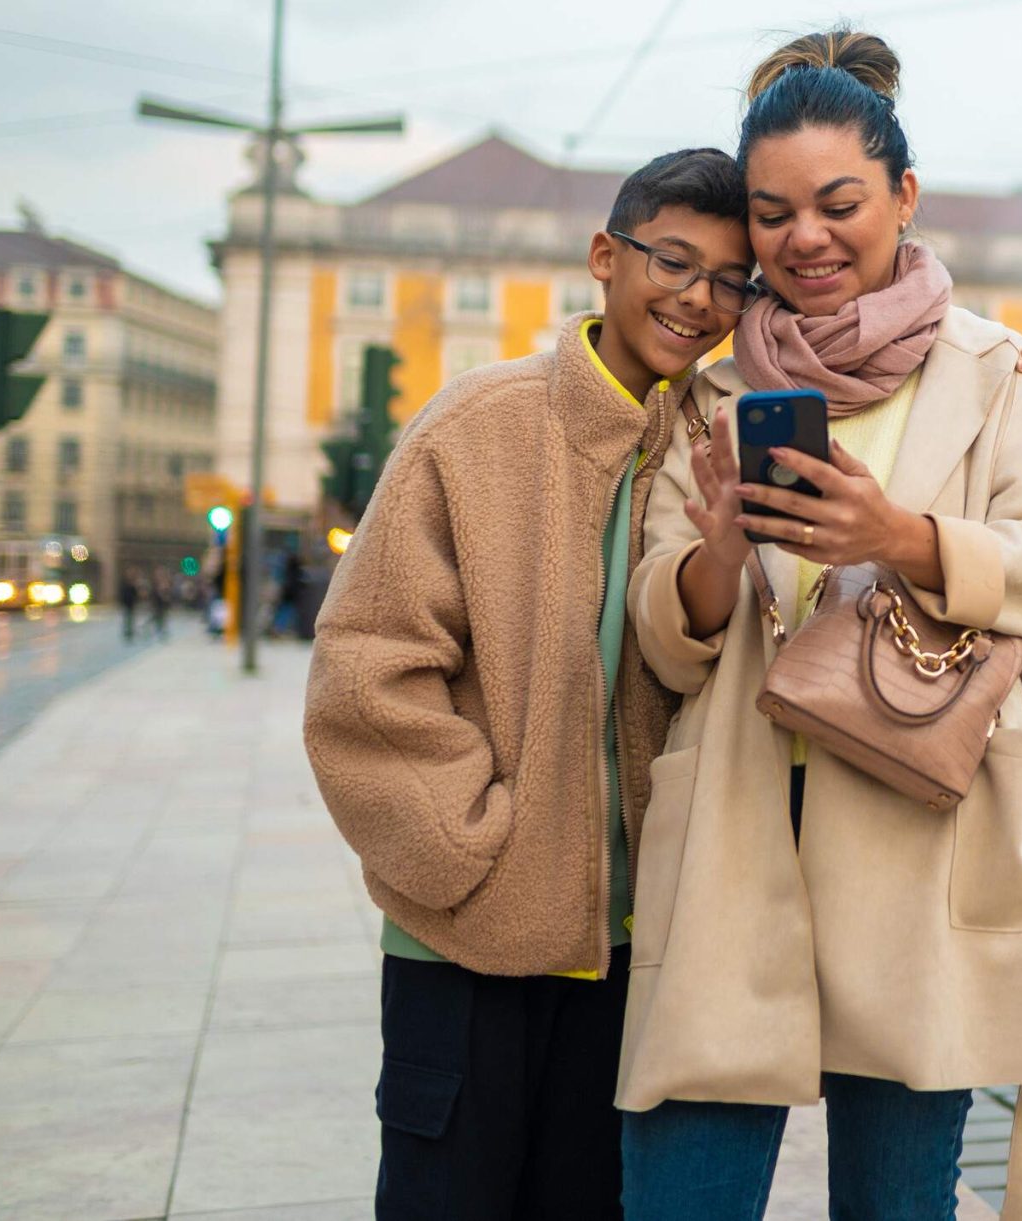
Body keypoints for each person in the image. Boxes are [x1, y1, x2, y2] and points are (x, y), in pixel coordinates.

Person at [615, 30, 1022, 1221]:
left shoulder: (1000, 375)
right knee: (685, 1199)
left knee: (897, 1206)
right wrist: (723, 545)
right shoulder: (711, 392)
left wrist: (898, 539)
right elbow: (663, 630)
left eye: (839, 203)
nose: (805, 238)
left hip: (920, 825)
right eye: (772, 214)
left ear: (903, 196)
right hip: (741, 826)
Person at [305, 148, 752, 1221]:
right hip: (467, 941)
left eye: (731, 278)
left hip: (628, 952)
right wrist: (470, 849)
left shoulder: (714, 442)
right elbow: (365, 672)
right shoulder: (478, 425)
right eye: (673, 262)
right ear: (607, 257)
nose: (697, 299)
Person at [117, 567, 141, 640]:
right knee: (127, 619)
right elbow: (123, 594)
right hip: (127, 605)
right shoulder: (124, 584)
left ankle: (130, 632)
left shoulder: (133, 585)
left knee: (130, 619)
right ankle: (127, 632)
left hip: (131, 605)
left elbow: (136, 595)